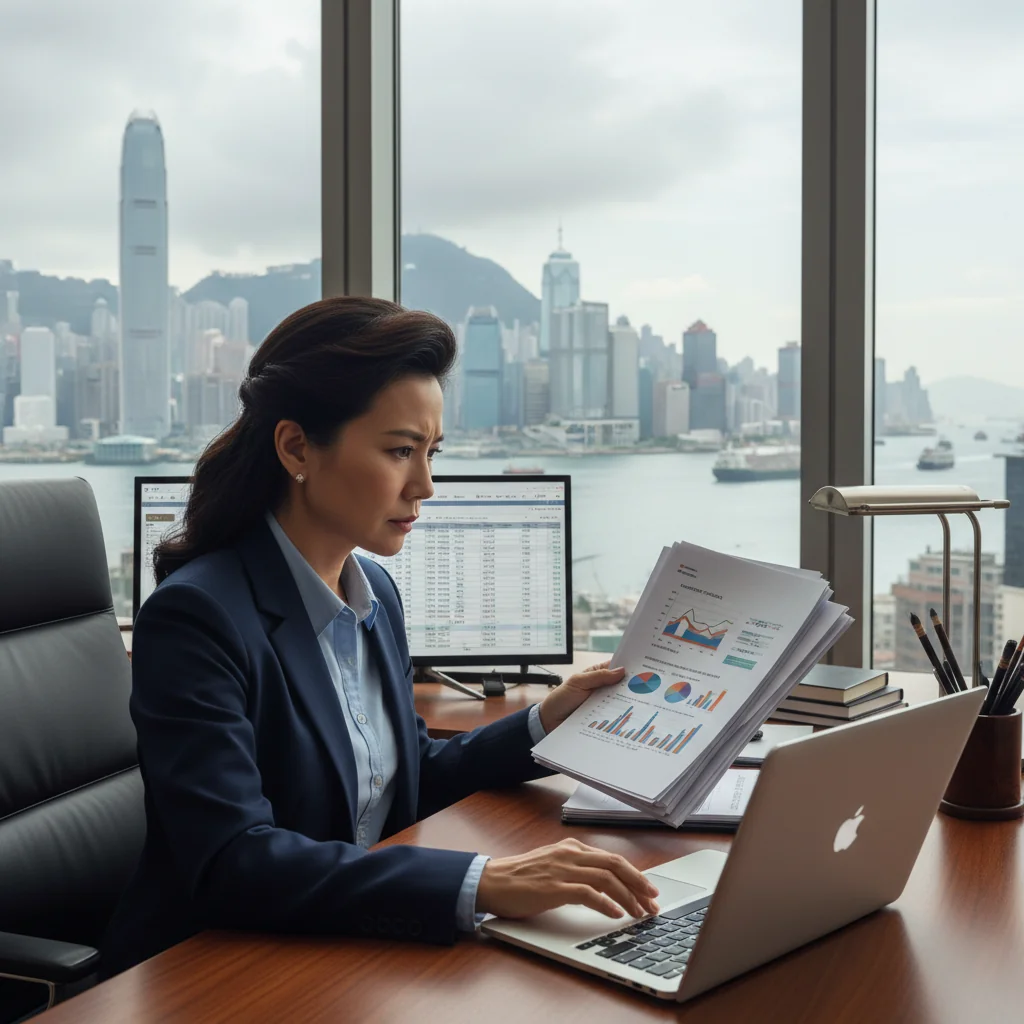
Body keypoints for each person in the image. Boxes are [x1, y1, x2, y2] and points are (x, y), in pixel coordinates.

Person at [102, 297, 659, 976]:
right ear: (297, 447)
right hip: (217, 969)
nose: (424, 485)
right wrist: (482, 881)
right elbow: (234, 859)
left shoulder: (374, 593)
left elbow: (407, 776)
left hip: (342, 947)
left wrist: (547, 719)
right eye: (400, 451)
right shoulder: (197, 617)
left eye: (431, 453)